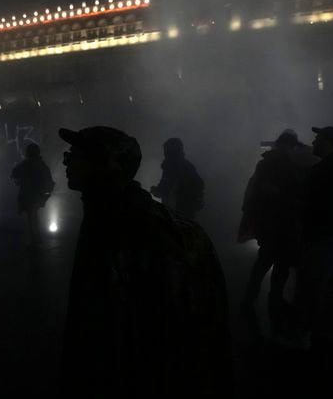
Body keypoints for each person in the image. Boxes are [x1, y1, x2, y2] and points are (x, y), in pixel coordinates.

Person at [59, 126, 232, 398]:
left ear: (108, 165)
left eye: (75, 155)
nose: (66, 161)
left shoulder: (140, 232)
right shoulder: (107, 217)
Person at [238, 129, 315, 337]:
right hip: (284, 224)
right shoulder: (293, 166)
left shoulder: (268, 163)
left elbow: (254, 192)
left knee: (264, 262)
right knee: (279, 266)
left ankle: (250, 300)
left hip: (270, 223)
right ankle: (272, 303)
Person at [290, 126, 333, 349]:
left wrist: (295, 204)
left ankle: (304, 335)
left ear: (327, 142)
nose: (314, 142)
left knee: (312, 287)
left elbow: (317, 203)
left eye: (317, 139)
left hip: (323, 236)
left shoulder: (327, 168)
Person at [10, 143, 55, 246]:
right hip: (37, 195)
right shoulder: (41, 164)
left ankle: (34, 239)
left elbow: (15, 174)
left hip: (30, 195)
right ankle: (35, 238)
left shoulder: (26, 164)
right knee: (33, 216)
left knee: (31, 217)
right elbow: (49, 181)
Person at [151, 137, 205, 220]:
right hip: (187, 211)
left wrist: (155, 190)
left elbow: (164, 188)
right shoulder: (187, 166)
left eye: (166, 150)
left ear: (170, 151)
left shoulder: (171, 166)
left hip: (175, 212)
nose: (164, 153)